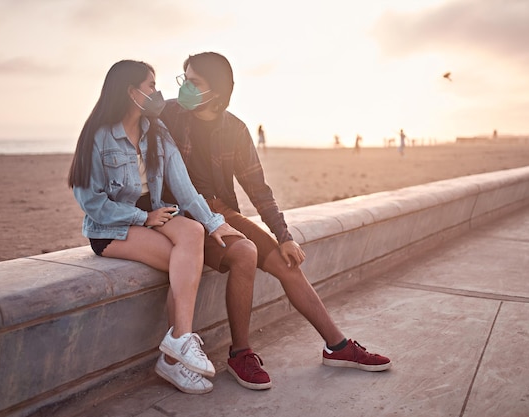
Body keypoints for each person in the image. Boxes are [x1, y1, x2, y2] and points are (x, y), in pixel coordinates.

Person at [160, 52, 391, 391]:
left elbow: (257, 187)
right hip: (181, 216)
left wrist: (284, 236)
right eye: (184, 79)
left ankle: (337, 347)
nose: (185, 88)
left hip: (221, 211)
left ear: (218, 91)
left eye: (194, 82)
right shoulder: (169, 114)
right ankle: (240, 354)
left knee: (286, 262)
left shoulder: (235, 130)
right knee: (245, 253)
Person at [67, 60, 245, 395]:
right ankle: (176, 355)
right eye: (150, 85)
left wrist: (213, 223)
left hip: (153, 215)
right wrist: (141, 218)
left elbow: (184, 186)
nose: (157, 92)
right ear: (131, 92)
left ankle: (178, 342)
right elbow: (91, 201)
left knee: (192, 234)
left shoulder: (157, 132)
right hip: (111, 226)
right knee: (183, 262)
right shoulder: (98, 135)